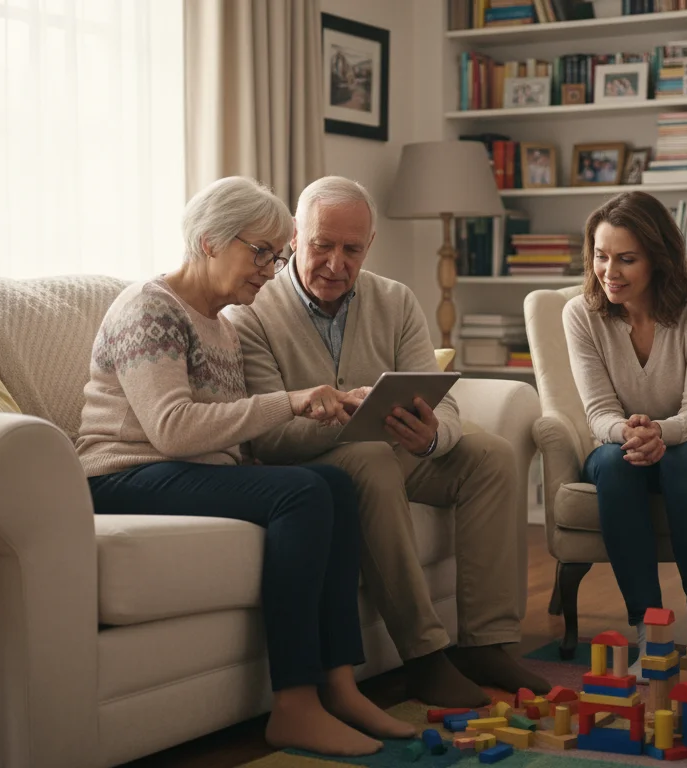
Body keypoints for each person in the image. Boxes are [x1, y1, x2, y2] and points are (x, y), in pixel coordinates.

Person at [75, 177, 415, 756]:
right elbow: (173, 428)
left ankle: (338, 683)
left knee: (331, 483)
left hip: (182, 473)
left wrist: (328, 415)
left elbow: (229, 434)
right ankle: (294, 704)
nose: (269, 268)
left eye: (276, 255)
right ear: (209, 241)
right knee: (303, 495)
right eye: (259, 252)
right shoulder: (149, 308)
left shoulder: (223, 325)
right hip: (120, 477)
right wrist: (291, 400)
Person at [227, 176, 548, 708]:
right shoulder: (253, 313)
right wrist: (333, 418)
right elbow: (266, 436)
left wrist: (431, 438)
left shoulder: (395, 300)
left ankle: (486, 643)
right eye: (321, 246)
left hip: (399, 454)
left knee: (489, 454)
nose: (336, 263)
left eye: (351, 249)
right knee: (370, 455)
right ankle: (424, 657)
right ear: (293, 239)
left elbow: (444, 404)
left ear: (369, 245)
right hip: (315, 467)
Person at [562, 190, 687, 676]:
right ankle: (651, 634)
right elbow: (598, 413)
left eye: (627, 259)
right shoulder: (580, 314)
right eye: (601, 256)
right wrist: (631, 434)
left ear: (659, 259)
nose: (610, 272)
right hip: (626, 450)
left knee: (682, 458)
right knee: (609, 460)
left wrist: (660, 435)